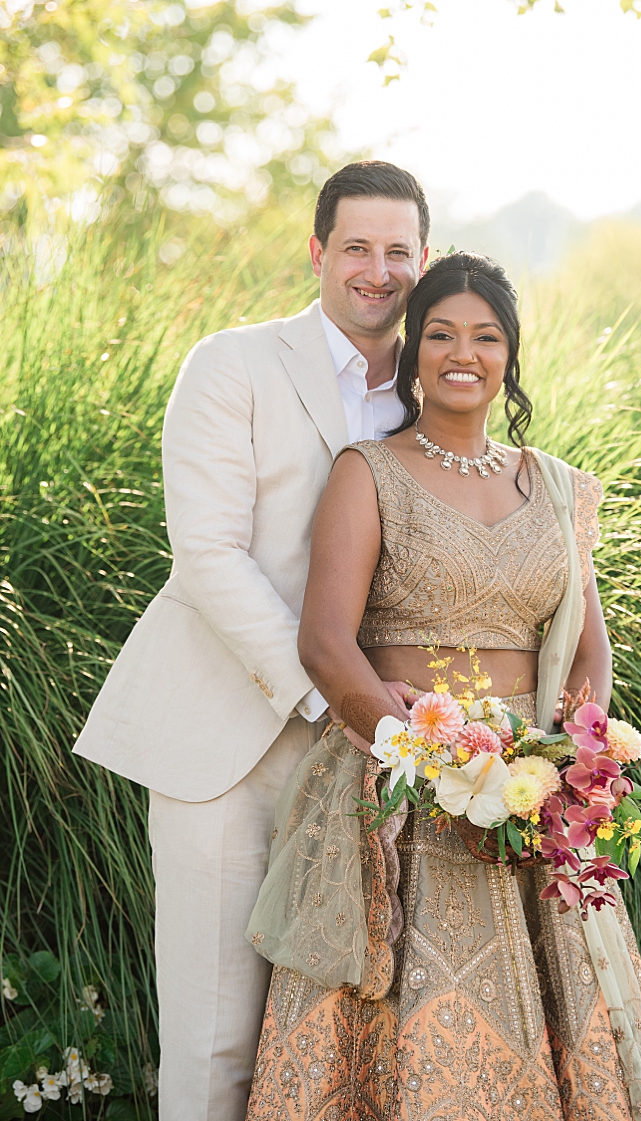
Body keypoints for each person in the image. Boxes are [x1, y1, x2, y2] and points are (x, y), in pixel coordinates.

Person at [241, 252, 641, 1120]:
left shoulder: (558, 486)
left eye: (486, 337)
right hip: (404, 781)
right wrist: (422, 751)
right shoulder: (366, 471)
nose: (463, 352)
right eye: (440, 333)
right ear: (412, 353)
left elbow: (589, 643)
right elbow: (326, 643)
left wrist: (577, 755)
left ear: (509, 358)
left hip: (538, 784)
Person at [72, 160, 431, 1120]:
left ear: (423, 259)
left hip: (375, 763)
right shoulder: (231, 364)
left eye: (398, 250)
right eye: (356, 246)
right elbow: (207, 556)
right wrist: (336, 695)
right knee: (218, 1039)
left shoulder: (437, 389)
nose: (377, 269)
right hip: (228, 744)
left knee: (345, 1043)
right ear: (318, 252)